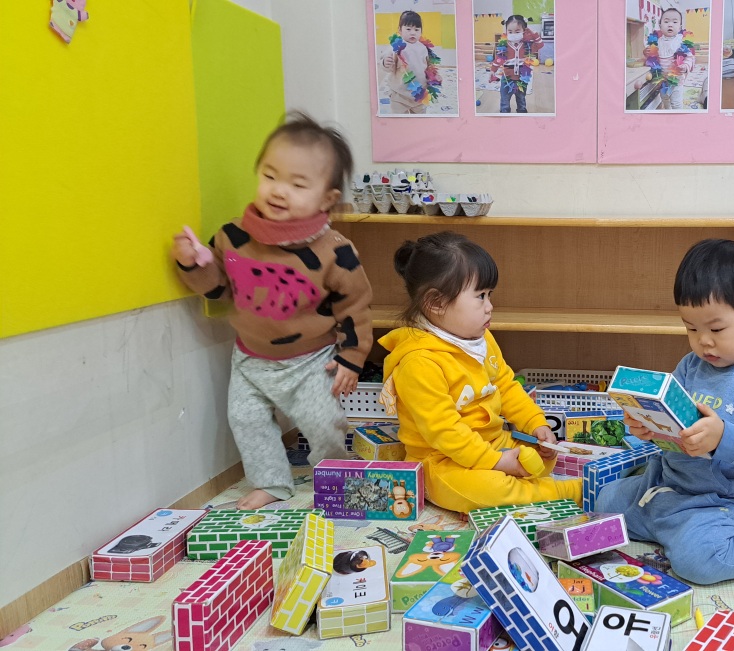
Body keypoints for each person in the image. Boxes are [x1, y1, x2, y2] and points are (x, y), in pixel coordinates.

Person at [171, 112, 371, 510]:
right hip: (250, 358)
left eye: (298, 184)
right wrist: (193, 263)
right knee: (246, 420)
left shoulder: (335, 251)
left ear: (326, 199)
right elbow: (217, 289)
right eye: (270, 176)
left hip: (311, 360)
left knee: (321, 422)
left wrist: (352, 357)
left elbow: (356, 305)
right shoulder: (232, 236)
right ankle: (271, 482)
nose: (279, 191)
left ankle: (336, 474)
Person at [595, 239, 734, 585]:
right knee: (604, 501)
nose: (703, 341)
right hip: (668, 487)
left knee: (700, 562)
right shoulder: (691, 365)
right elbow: (671, 420)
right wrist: (647, 426)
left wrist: (725, 437)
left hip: (727, 505)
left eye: (716, 329)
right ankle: (672, 527)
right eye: (691, 328)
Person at [377, 232, 581, 513]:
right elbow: (446, 432)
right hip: (443, 461)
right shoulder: (419, 363)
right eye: (480, 296)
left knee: (542, 455)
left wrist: (536, 425)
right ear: (436, 303)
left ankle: (528, 481)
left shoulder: (480, 338)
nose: (490, 306)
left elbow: (506, 386)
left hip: (493, 442)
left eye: (489, 295)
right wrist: (498, 462)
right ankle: (564, 492)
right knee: (487, 490)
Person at [381, 10, 442, 114]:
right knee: (399, 119)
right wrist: (385, 63)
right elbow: (388, 66)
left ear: (421, 32)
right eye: (408, 29)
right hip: (399, 95)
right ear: (400, 30)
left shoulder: (423, 48)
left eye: (416, 29)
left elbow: (428, 67)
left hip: (419, 94)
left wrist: (434, 76)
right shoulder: (395, 47)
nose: (413, 32)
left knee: (419, 118)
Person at [489, 14, 543, 114]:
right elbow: (498, 60)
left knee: (521, 99)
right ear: (506, 31)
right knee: (505, 100)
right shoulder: (504, 46)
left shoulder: (528, 46)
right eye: (510, 31)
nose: (513, 34)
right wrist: (493, 71)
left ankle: (521, 113)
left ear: (524, 30)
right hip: (506, 79)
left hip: (522, 79)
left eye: (517, 31)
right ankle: (505, 114)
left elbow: (540, 44)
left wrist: (533, 33)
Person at [647, 7, 696, 110]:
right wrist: (646, 52)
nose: (670, 24)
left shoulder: (680, 41)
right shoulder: (657, 41)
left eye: (674, 22)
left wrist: (685, 66)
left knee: (676, 102)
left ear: (680, 27)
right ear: (660, 25)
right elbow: (651, 56)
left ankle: (677, 116)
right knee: (664, 98)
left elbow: (689, 57)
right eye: (666, 21)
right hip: (662, 79)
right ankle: (667, 111)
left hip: (676, 80)